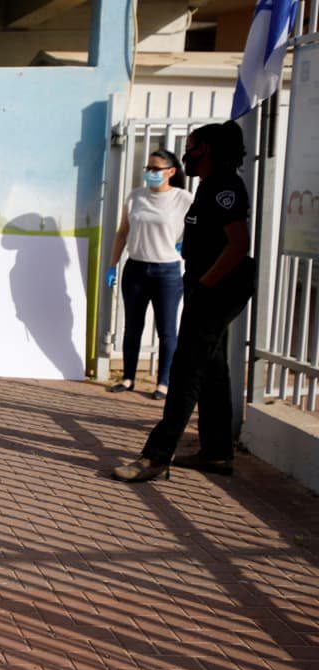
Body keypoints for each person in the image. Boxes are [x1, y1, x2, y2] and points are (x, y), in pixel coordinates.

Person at [113, 121, 256, 482]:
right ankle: (217, 452)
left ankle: (156, 456)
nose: (187, 154)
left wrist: (205, 286)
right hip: (208, 285)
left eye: (191, 147)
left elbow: (239, 244)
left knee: (186, 371)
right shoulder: (209, 186)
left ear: (206, 150)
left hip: (216, 289)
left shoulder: (225, 186)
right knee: (212, 369)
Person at [106, 150, 192, 400]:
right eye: (148, 168)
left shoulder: (183, 198)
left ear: (171, 171)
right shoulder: (136, 196)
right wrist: (112, 265)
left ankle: (163, 382)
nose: (150, 173)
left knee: (166, 330)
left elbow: (200, 227)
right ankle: (128, 377)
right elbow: (123, 232)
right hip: (136, 269)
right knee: (132, 327)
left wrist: (184, 244)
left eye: (156, 169)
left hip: (167, 271)